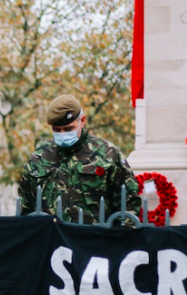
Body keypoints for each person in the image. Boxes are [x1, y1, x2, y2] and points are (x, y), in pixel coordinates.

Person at [18, 94, 140, 224]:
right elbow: (26, 207)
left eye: (69, 128)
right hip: (52, 240)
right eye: (57, 129)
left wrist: (118, 239)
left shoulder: (107, 154)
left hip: (94, 239)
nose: (62, 134)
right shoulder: (39, 157)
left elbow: (128, 204)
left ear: (82, 121)